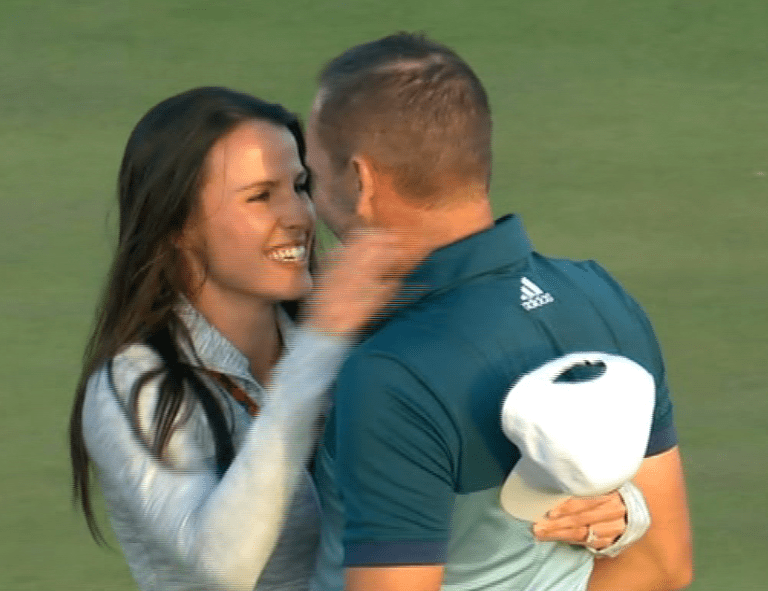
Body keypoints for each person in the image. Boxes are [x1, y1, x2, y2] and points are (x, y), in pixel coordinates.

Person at [305, 33, 694, 591]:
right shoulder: (604, 300)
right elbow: (662, 567)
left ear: (362, 181)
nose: (309, 199)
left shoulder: (391, 373)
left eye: (313, 173)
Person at [68, 86, 427, 591]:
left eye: (300, 186)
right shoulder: (136, 387)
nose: (299, 217)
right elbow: (222, 566)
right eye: (261, 196)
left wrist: (571, 502)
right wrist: (317, 352)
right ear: (177, 225)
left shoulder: (353, 341)